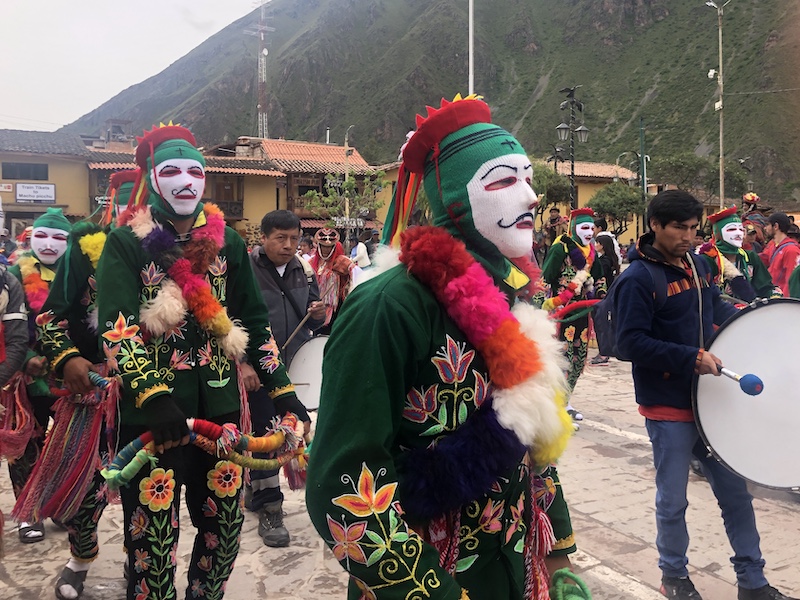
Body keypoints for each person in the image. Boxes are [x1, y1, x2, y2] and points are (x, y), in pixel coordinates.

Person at [306, 95, 577, 600]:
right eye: (504, 180)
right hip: (430, 578)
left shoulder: (512, 294)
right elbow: (344, 485)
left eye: (528, 177)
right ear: (456, 198)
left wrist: (557, 550)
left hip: (515, 567)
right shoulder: (387, 307)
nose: (532, 196)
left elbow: (529, 434)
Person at [95, 124, 309, 600]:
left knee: (225, 529)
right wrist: (151, 396)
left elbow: (253, 319)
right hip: (154, 416)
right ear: (152, 178)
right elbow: (117, 325)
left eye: (196, 170)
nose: (186, 180)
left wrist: (283, 389)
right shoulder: (126, 242)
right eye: (171, 170)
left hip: (220, 411)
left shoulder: (229, 243)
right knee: (151, 539)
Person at [615, 189, 796, 600]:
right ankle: (674, 577)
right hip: (668, 405)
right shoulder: (637, 279)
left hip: (714, 403)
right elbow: (629, 344)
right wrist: (689, 358)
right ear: (655, 225)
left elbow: (715, 309)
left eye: (694, 228)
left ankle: (753, 582)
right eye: (680, 228)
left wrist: (758, 322)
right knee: (674, 500)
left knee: (736, 496)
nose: (689, 236)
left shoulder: (697, 265)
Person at [32, 170, 136, 599]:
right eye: (130, 209)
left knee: (144, 481)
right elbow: (50, 319)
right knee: (86, 482)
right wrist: (69, 358)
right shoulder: (86, 250)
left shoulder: (171, 254)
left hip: (157, 389)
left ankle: (142, 559)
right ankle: (79, 559)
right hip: (94, 389)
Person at [245, 209, 325, 547]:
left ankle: (257, 492)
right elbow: (228, 320)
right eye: (280, 237)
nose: (289, 245)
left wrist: (319, 315)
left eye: (294, 238)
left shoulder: (303, 271)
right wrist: (244, 364)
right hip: (257, 370)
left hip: (293, 366)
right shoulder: (244, 270)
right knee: (266, 435)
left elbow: (313, 323)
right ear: (263, 237)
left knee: (289, 430)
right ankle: (270, 506)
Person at [5, 207, 72, 544]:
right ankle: (27, 513)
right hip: (27, 377)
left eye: (59, 238)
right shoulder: (15, 273)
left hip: (68, 376)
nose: (49, 244)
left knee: (63, 445)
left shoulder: (78, 273)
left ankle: (58, 505)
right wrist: (27, 357)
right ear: (30, 240)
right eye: (41, 236)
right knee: (26, 445)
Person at [540, 207, 607, 423]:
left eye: (591, 228)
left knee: (579, 360)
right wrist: (542, 307)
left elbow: (598, 278)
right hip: (561, 314)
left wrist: (603, 294)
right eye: (584, 227)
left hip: (583, 314)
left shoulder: (591, 253)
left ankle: (566, 402)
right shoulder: (561, 248)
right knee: (562, 359)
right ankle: (554, 407)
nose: (589, 232)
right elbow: (546, 278)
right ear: (574, 228)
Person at [697, 206, 781, 302]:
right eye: (731, 229)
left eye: (741, 229)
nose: (738, 234)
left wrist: (774, 297)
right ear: (717, 234)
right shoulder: (707, 260)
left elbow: (766, 288)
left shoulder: (751, 257)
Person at [310, 227, 355, 333]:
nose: (326, 249)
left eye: (329, 247)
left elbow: (356, 276)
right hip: (316, 304)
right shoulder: (311, 262)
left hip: (336, 305)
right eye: (324, 246)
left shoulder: (342, 262)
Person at [589, 234, 620, 366]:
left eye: (597, 243)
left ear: (602, 245)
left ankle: (604, 353)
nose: (595, 245)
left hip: (602, 296)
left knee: (601, 324)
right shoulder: (610, 259)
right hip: (606, 296)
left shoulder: (604, 261)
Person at [759, 212, 800, 296]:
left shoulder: (791, 250)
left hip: (781, 299)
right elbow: (762, 259)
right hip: (772, 294)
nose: (765, 228)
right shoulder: (772, 245)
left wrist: (785, 302)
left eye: (767, 225)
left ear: (776, 226)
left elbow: (791, 280)